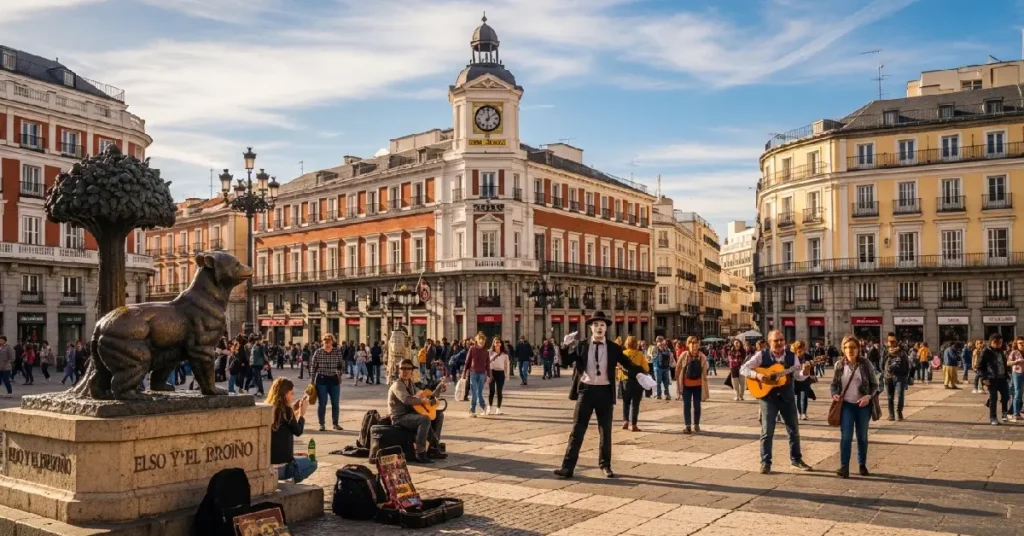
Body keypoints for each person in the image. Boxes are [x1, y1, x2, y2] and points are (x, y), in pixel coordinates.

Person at [554, 311, 641, 479]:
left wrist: (641, 374)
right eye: (596, 325)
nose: (599, 328)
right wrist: (564, 346)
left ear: (606, 328)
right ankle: (567, 467)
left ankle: (605, 465)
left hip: (604, 392)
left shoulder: (614, 348)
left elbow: (627, 364)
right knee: (577, 430)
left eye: (602, 325)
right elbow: (564, 362)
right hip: (585, 391)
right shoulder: (581, 345)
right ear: (591, 328)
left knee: (605, 431)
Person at [740, 330, 813, 474]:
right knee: (767, 431)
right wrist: (758, 375)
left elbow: (798, 376)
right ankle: (765, 462)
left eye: (781, 340)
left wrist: (805, 371)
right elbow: (744, 369)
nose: (779, 343)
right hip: (768, 398)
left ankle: (796, 459)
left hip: (787, 397)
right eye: (776, 340)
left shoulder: (792, 357)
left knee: (794, 430)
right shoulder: (761, 355)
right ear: (769, 342)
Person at [831, 335, 879, 478]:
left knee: (862, 437)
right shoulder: (839, 365)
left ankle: (862, 464)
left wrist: (868, 396)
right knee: (846, 437)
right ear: (843, 350)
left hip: (862, 406)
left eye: (853, 347)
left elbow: (875, 385)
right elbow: (834, 384)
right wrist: (834, 394)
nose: (850, 350)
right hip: (846, 405)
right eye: (846, 347)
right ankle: (844, 467)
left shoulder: (865, 364)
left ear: (858, 349)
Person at [389, 359, 448, 463]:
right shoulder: (398, 384)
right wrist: (423, 400)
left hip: (410, 413)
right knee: (424, 419)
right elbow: (406, 399)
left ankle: (433, 447)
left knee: (439, 415)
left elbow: (425, 394)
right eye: (403, 368)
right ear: (399, 370)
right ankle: (420, 453)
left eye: (408, 368)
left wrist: (438, 389)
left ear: (412, 371)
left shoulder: (410, 384)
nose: (405, 371)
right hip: (399, 417)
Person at [267, 378, 317, 483]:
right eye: (291, 393)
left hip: (268, 466)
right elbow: (298, 431)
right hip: (284, 468)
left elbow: (285, 422)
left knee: (300, 456)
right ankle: (292, 481)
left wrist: (294, 409)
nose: (292, 396)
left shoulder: (269, 409)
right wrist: (302, 414)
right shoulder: (287, 411)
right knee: (313, 462)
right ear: (285, 394)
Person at [310, 334, 344, 431]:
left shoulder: (337, 352)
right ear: (323, 342)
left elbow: (342, 365)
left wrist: (339, 374)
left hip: (334, 380)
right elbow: (313, 367)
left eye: (329, 342)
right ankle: (322, 424)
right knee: (322, 403)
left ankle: (335, 423)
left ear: (332, 342)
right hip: (322, 380)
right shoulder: (318, 352)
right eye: (325, 342)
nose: (327, 344)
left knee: (335, 403)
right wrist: (312, 380)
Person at [675, 336, 709, 434]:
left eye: (696, 343)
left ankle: (697, 424)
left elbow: (705, 369)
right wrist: (678, 381)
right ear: (688, 344)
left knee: (697, 405)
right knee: (687, 405)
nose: (694, 345)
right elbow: (678, 368)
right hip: (686, 385)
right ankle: (688, 425)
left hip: (698, 385)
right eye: (692, 343)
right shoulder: (684, 355)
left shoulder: (702, 356)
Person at [977, 333, 1010, 425]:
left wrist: (1007, 373)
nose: (999, 344)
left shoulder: (1001, 351)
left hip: (1002, 378)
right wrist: (984, 378)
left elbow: (1003, 363)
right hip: (991, 378)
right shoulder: (986, 351)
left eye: (1000, 342)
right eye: (996, 342)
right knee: (994, 398)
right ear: (991, 342)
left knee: (1006, 396)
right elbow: (980, 366)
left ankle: (1004, 413)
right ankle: (993, 417)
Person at [618, 335, 649, 432]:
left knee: (625, 402)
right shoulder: (640, 355)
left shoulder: (623, 354)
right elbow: (646, 369)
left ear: (626, 343)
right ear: (637, 344)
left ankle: (625, 422)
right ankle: (634, 425)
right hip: (637, 381)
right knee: (635, 404)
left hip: (625, 381)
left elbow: (619, 368)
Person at [881, 334, 911, 421]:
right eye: (889, 342)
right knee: (890, 397)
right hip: (888, 377)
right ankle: (891, 415)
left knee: (900, 395)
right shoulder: (885, 352)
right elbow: (882, 364)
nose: (891, 344)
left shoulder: (902, 353)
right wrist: (885, 372)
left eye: (893, 341)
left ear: (896, 342)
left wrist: (906, 376)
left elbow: (907, 364)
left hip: (900, 377)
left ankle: (899, 413)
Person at [462, 333, 492, 417]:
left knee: (479, 392)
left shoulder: (486, 352)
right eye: (480, 340)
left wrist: (489, 375)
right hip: (473, 372)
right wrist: (464, 372)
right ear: (477, 340)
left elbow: (488, 365)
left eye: (483, 340)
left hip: (482, 373)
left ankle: (483, 406)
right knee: (474, 392)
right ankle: (473, 410)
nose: (482, 342)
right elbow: (467, 361)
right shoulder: (472, 349)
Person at [791, 341, 815, 420]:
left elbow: (812, 366)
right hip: (796, 379)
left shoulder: (808, 356)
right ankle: (799, 412)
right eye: (799, 351)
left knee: (804, 396)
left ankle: (804, 413)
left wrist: (811, 365)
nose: (802, 352)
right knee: (797, 396)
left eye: (803, 349)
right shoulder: (793, 357)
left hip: (805, 378)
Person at [1008, 336, 1024, 423]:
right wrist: (1016, 362)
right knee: (1018, 393)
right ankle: (1015, 413)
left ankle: (1021, 411)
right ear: (1016, 344)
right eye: (1020, 343)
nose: (1022, 345)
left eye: (1023, 343)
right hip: (1017, 373)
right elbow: (1008, 363)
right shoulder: (1014, 352)